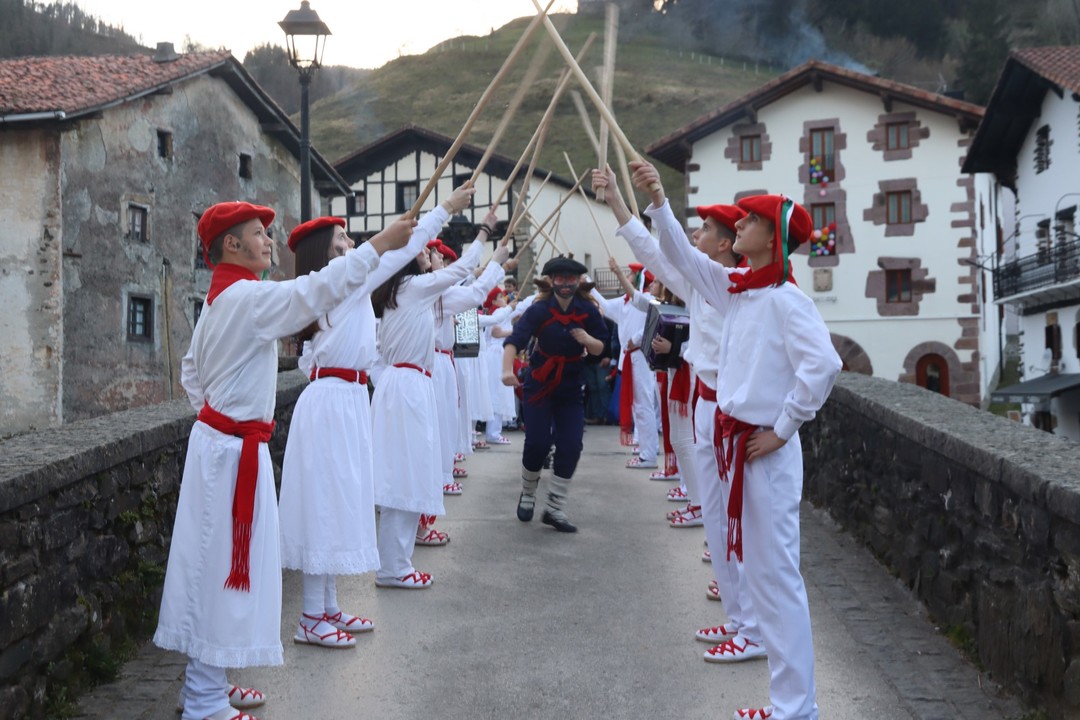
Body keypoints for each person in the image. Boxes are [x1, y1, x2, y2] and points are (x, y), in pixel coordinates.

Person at [155, 201, 412, 720]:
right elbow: (312, 291)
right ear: (232, 245)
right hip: (230, 452)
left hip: (225, 446)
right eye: (259, 233)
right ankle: (204, 699)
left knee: (217, 566)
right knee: (221, 569)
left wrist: (219, 417)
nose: (269, 241)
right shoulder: (246, 298)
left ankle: (208, 682)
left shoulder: (220, 298)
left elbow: (191, 372)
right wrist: (381, 243)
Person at [643, 161, 843, 720]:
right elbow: (683, 258)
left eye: (750, 221)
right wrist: (658, 199)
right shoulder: (740, 291)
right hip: (742, 448)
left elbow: (824, 366)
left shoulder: (786, 299)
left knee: (777, 579)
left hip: (763, 452)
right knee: (763, 575)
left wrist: (782, 428)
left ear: (772, 238)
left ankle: (796, 708)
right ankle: (788, 704)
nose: (739, 226)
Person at [277, 186, 473, 648]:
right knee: (326, 503)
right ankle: (311, 615)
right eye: (341, 242)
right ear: (323, 255)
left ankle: (327, 606)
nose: (351, 246)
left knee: (340, 500)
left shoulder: (339, 287)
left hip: (345, 398)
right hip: (332, 401)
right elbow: (395, 252)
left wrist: (435, 217)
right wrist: (443, 210)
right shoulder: (339, 282)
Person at [593, 163, 764, 657]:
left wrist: (658, 197)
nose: (696, 234)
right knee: (716, 519)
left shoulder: (737, 286)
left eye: (705, 228)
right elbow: (653, 251)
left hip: (731, 413)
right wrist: (617, 201)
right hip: (706, 405)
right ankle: (737, 620)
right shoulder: (698, 284)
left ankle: (754, 630)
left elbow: (670, 250)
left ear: (726, 243)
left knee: (738, 522)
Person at [371, 218, 510, 588]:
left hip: (414, 384)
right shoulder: (412, 288)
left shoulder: (419, 293)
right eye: (422, 248)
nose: (429, 252)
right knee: (404, 475)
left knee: (413, 472)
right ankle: (393, 566)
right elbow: (462, 271)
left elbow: (475, 292)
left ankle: (398, 562)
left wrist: (496, 263)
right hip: (408, 385)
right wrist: (484, 237)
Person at [502, 256, 609, 533]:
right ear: (551, 281)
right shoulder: (539, 310)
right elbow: (515, 340)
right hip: (539, 382)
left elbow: (602, 348)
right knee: (538, 442)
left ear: (578, 281)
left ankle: (555, 507)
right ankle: (528, 492)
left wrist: (588, 340)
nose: (565, 284)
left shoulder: (587, 310)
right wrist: (506, 370)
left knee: (571, 445)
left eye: (571, 279)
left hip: (571, 385)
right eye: (560, 278)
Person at [590, 264, 659, 468]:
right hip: (630, 357)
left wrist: (636, 339)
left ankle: (649, 454)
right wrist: (587, 282)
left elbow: (653, 325)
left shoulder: (647, 300)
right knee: (639, 405)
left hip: (641, 357)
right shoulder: (624, 302)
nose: (627, 277)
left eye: (630, 274)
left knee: (644, 404)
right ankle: (645, 449)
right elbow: (603, 305)